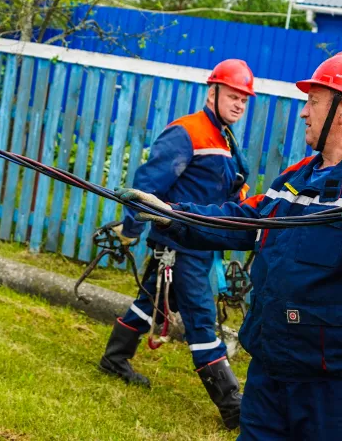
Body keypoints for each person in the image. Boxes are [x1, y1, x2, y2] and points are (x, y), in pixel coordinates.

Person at [119, 51, 342, 440]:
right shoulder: (295, 177)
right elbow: (244, 219)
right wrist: (174, 215)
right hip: (274, 368)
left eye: (313, 102)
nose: (304, 112)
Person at [99, 59, 255, 431]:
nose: (239, 105)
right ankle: (233, 406)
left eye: (244, 100)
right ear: (212, 92)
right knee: (202, 321)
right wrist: (132, 230)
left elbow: (218, 184)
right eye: (233, 96)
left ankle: (114, 359)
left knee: (151, 301)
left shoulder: (224, 137)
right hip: (180, 245)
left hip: (199, 241)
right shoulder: (187, 132)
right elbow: (147, 186)